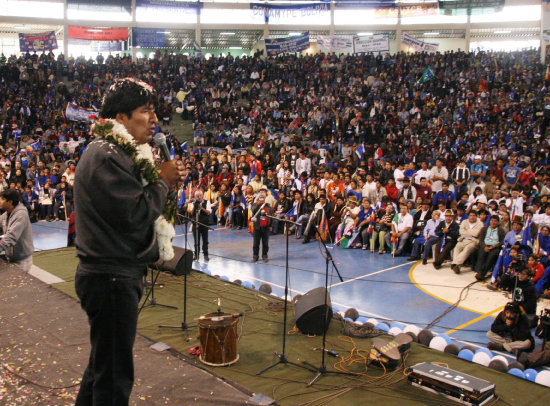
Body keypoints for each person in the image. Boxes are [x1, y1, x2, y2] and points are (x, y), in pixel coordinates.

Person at [73, 78, 183, 405]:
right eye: (145, 111)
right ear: (120, 118)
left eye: (154, 112)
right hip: (110, 277)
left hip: (114, 275)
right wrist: (162, 182)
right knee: (113, 380)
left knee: (102, 367)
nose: (154, 120)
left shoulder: (117, 152)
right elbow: (135, 216)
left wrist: (162, 183)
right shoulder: (107, 155)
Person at [0, 189, 34, 272]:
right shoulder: (7, 213)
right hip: (11, 257)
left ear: (10, 202)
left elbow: (11, 237)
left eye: (2, 199)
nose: (0, 201)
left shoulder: (21, 215)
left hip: (22, 260)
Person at [473, 215, 506, 281]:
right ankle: (479, 271)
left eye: (495, 221)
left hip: (495, 247)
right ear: (489, 221)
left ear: (498, 222)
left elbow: (503, 241)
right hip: (485, 245)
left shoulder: (501, 230)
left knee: (491, 256)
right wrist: (485, 246)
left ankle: (482, 273)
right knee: (482, 254)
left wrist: (496, 245)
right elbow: (481, 239)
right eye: (492, 220)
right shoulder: (484, 229)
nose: (493, 222)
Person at [188, 190, 212, 261]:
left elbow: (209, 212)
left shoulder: (207, 202)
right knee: (196, 240)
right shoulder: (193, 203)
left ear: (202, 196)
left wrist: (201, 208)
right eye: (197, 196)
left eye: (200, 196)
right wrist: (195, 206)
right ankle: (196, 255)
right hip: (195, 224)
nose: (198, 197)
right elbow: (192, 213)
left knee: (205, 240)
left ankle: (206, 254)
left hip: (204, 224)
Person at [250, 192, 272, 262]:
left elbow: (271, 216)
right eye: (260, 197)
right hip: (257, 226)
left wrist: (270, 225)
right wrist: (258, 204)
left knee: (265, 243)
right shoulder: (254, 205)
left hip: (265, 227)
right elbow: (253, 211)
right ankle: (255, 256)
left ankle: (265, 255)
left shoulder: (268, 206)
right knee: (256, 243)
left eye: (263, 197)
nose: (262, 199)